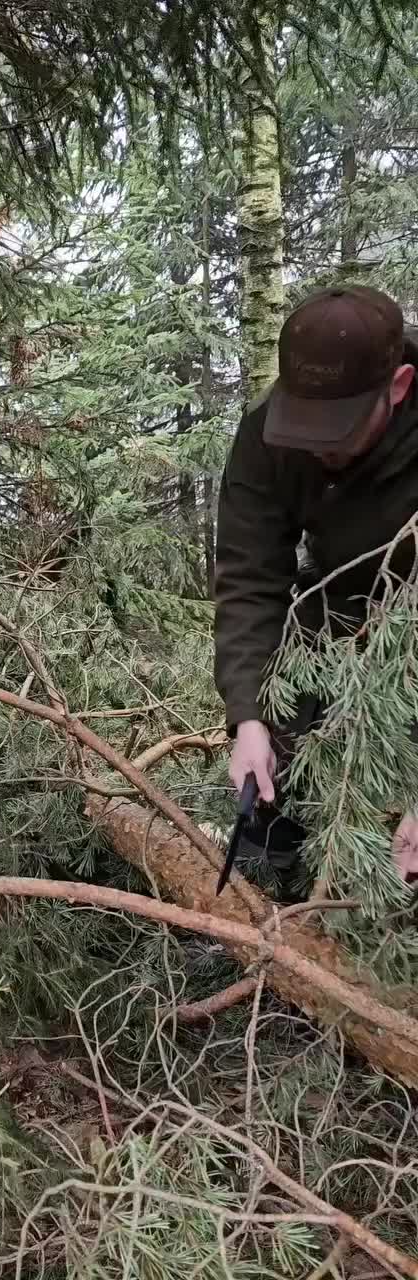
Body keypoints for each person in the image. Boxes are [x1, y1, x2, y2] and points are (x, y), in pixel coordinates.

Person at [214, 284, 418, 894]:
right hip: (336, 608)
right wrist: (248, 717)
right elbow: (250, 576)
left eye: (339, 430)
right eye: (308, 426)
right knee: (281, 731)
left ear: (400, 386)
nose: (320, 445)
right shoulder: (268, 433)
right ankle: (285, 890)